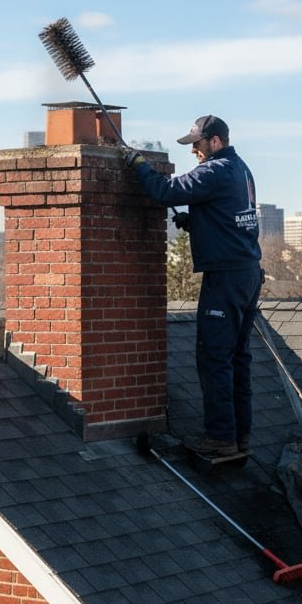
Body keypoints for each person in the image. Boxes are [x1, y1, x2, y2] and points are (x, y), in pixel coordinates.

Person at [122, 115, 262, 456]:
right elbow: (226, 212)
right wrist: (195, 221)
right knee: (237, 359)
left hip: (225, 278)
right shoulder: (240, 169)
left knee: (214, 358)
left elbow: (163, 191)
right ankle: (240, 436)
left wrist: (138, 163)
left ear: (215, 141)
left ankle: (220, 439)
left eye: (197, 144)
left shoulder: (213, 170)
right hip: (247, 273)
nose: (193, 152)